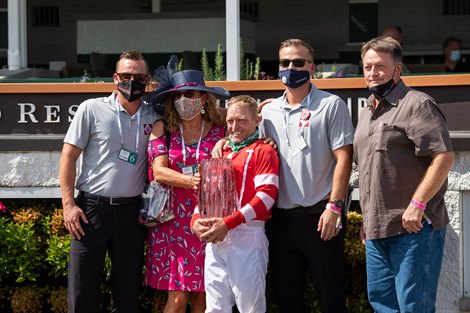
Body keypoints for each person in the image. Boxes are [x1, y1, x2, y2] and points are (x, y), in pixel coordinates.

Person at [355, 36, 454, 312]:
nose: (373, 73)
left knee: (414, 307)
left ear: (398, 69)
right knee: (382, 306)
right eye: (367, 67)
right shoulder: (368, 111)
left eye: (380, 66)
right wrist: (367, 218)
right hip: (376, 230)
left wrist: (418, 203)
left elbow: (443, 157)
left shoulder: (417, 105)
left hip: (413, 228)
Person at [260, 38, 354, 313]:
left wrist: (334, 208)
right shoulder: (267, 111)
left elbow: (344, 158)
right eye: (285, 62)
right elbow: (244, 143)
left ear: (311, 67)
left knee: (331, 297)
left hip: (320, 217)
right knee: (287, 298)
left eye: (298, 62)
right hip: (280, 222)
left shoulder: (331, 105)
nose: (291, 67)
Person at [60, 50, 157, 312]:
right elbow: (69, 155)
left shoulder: (154, 115)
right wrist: (68, 205)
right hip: (92, 211)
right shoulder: (91, 109)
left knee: (127, 294)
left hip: (132, 214)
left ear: (147, 80)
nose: (131, 81)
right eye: (126, 75)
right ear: (115, 77)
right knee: (82, 291)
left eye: (138, 76)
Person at [144, 70, 229, 313]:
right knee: (179, 298)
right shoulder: (163, 128)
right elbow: (159, 171)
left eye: (189, 94)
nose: (183, 99)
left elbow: (248, 126)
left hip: (207, 219)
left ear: (203, 98)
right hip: (171, 222)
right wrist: (191, 181)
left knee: (204, 298)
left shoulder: (220, 128)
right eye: (178, 95)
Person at [191, 95, 280, 313]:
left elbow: (267, 197)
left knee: (250, 307)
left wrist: (229, 223)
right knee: (215, 308)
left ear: (256, 120)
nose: (234, 126)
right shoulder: (222, 150)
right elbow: (206, 196)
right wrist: (195, 222)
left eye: (241, 120)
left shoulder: (264, 150)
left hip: (247, 235)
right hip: (216, 236)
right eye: (230, 120)